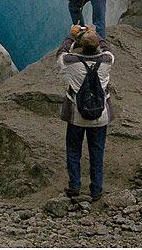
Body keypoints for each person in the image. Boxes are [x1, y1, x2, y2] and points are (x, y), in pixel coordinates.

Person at [56, 24, 115, 201]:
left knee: (73, 150)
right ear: (97, 45)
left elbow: (61, 52)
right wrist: (96, 35)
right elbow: (107, 49)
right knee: (97, 151)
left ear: (80, 45)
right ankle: (96, 189)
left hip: (76, 115)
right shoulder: (107, 60)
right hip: (100, 116)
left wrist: (72, 35)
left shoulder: (71, 61)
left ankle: (74, 185)